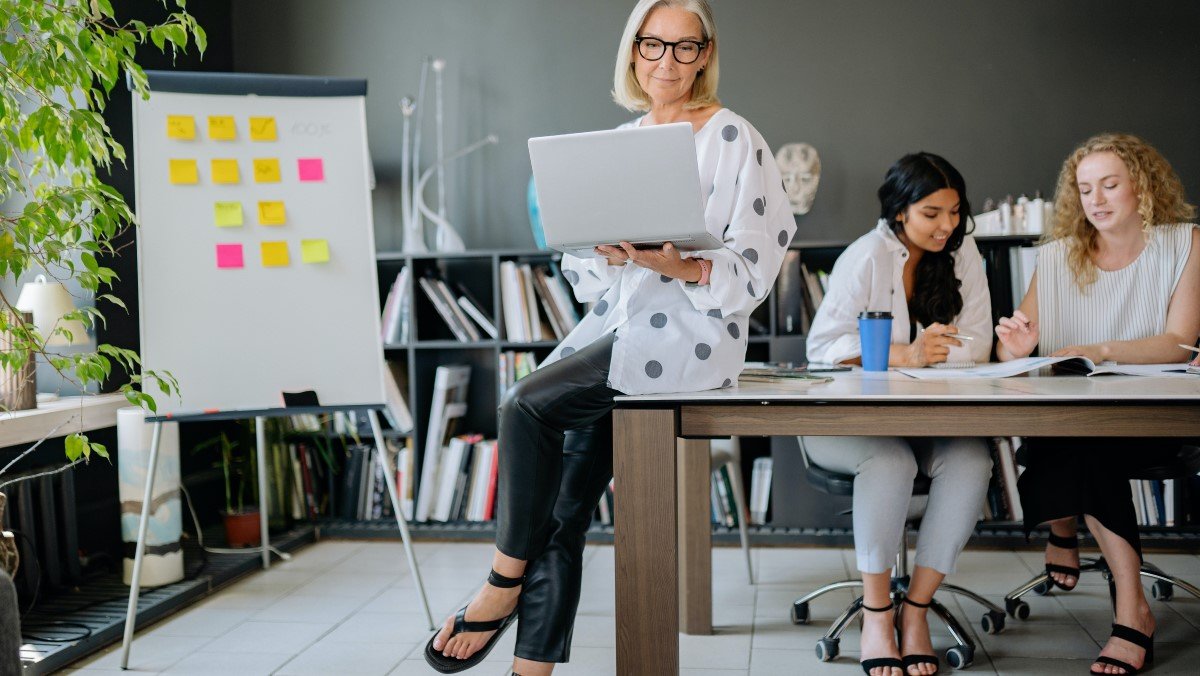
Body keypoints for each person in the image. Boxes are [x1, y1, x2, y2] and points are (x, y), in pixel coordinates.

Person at [423, 1, 795, 674]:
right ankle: (530, 667)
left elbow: (761, 263)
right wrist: (609, 253)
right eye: (654, 46)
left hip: (691, 336)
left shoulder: (734, 136)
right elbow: (589, 279)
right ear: (633, 52)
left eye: (686, 48)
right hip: (618, 328)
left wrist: (677, 265)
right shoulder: (621, 143)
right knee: (563, 508)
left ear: (706, 54)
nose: (668, 63)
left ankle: (500, 585)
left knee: (524, 405)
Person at [994, 132, 1200, 676]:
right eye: (1086, 189)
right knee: (1073, 437)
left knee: (1083, 448)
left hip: (1148, 418)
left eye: (1110, 184)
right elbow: (1020, 340)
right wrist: (1016, 345)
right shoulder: (1059, 256)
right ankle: (1130, 606)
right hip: (1069, 417)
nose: (1097, 200)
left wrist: (1100, 350)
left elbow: (1180, 341)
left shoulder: (1185, 243)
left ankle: (1105, 578)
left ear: (1144, 187)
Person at [802, 152, 994, 676]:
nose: (947, 226)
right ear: (900, 211)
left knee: (973, 461)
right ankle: (877, 613)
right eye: (932, 213)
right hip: (847, 424)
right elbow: (822, 347)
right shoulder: (865, 255)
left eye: (955, 212)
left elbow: (978, 344)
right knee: (890, 463)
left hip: (927, 421)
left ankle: (917, 610)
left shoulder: (964, 253)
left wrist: (928, 352)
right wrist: (906, 353)